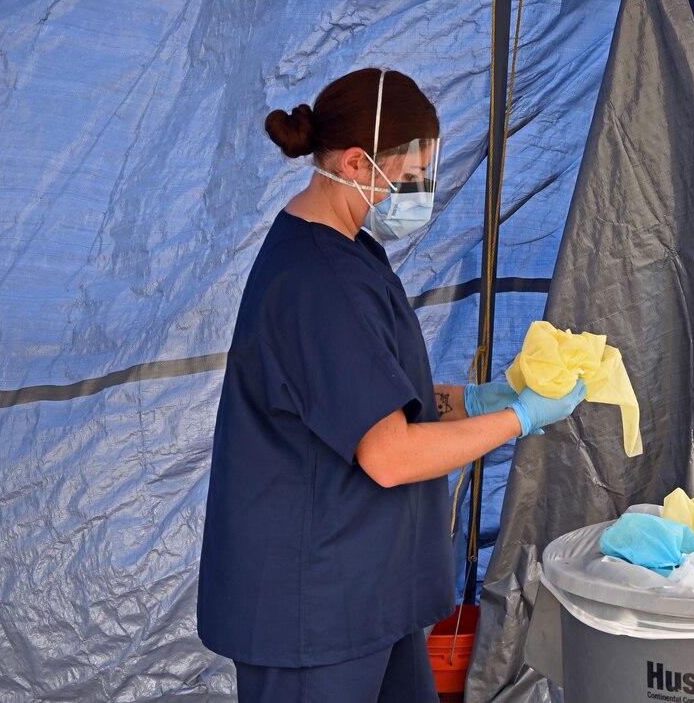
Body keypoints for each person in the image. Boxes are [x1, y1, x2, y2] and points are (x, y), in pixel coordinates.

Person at [197, 67, 587, 703]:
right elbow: (388, 454)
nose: (420, 194)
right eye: (410, 179)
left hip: (370, 593)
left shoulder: (348, 250)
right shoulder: (317, 283)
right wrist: (520, 420)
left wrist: (474, 401)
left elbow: (374, 396)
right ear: (355, 162)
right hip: (315, 611)